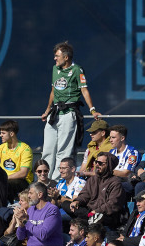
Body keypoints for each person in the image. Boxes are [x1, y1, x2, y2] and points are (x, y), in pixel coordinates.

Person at [41, 41, 102, 180]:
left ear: (66, 57)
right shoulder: (55, 69)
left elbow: (84, 90)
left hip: (69, 113)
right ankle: (44, 179)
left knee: (64, 151)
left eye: (57, 56)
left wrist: (92, 110)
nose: (55, 58)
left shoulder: (77, 70)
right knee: (48, 149)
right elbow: (53, 91)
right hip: (54, 114)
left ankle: (57, 182)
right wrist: (47, 110)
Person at [4, 182, 62, 246]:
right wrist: (21, 224)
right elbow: (20, 237)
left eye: (30, 193)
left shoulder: (52, 210)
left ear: (39, 195)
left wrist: (26, 221)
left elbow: (43, 235)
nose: (29, 196)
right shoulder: (31, 210)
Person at [66, 152, 125, 229]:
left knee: (100, 216)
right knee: (66, 204)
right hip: (90, 211)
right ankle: (89, 216)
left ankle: (89, 217)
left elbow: (112, 204)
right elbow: (85, 195)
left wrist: (97, 211)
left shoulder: (115, 182)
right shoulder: (92, 179)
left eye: (100, 163)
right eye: (96, 162)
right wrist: (77, 201)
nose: (97, 165)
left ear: (109, 165)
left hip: (105, 215)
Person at [0, 120, 33, 201]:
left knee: (5, 184)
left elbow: (23, 173)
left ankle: (8, 207)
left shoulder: (25, 149)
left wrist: (5, 178)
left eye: (3, 133)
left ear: (12, 134)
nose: (0, 135)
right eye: (0, 133)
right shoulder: (1, 147)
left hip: (22, 181)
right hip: (5, 179)